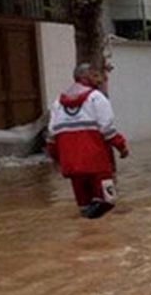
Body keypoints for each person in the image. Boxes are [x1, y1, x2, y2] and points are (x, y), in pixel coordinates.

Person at [46, 62, 129, 219]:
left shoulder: (58, 103)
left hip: (72, 166)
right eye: (96, 75)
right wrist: (122, 147)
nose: (100, 80)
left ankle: (85, 237)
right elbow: (108, 130)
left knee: (84, 208)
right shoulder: (97, 98)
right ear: (86, 77)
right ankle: (104, 239)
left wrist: (57, 159)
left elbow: (52, 136)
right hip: (97, 164)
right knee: (108, 203)